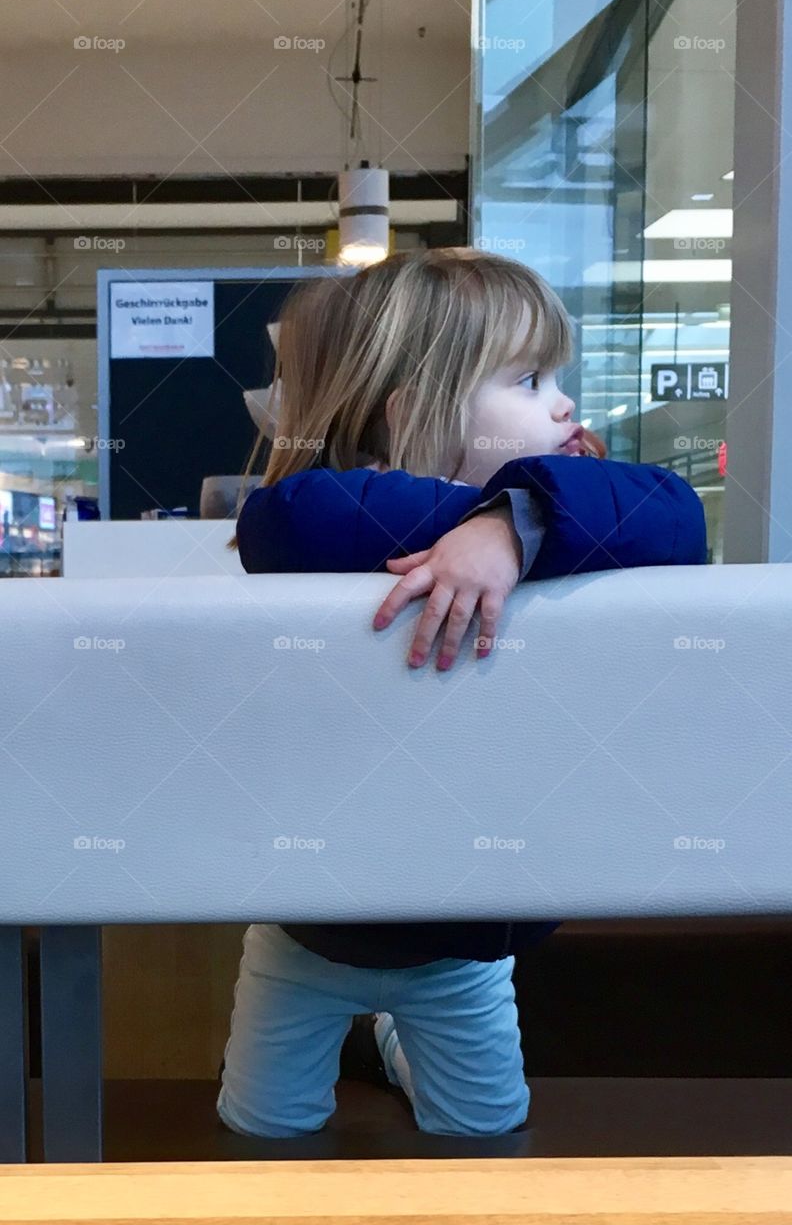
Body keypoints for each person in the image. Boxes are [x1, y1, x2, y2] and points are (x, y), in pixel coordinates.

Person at [217, 248, 707, 1140]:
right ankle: (388, 1046)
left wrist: (514, 523)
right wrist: (495, 518)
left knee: (485, 1139)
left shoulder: (542, 514)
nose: (563, 403)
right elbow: (282, 517)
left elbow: (679, 509)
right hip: (305, 934)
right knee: (261, 1133)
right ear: (418, 411)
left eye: (558, 376)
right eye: (528, 378)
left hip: (466, 940)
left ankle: (394, 1046)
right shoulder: (327, 517)